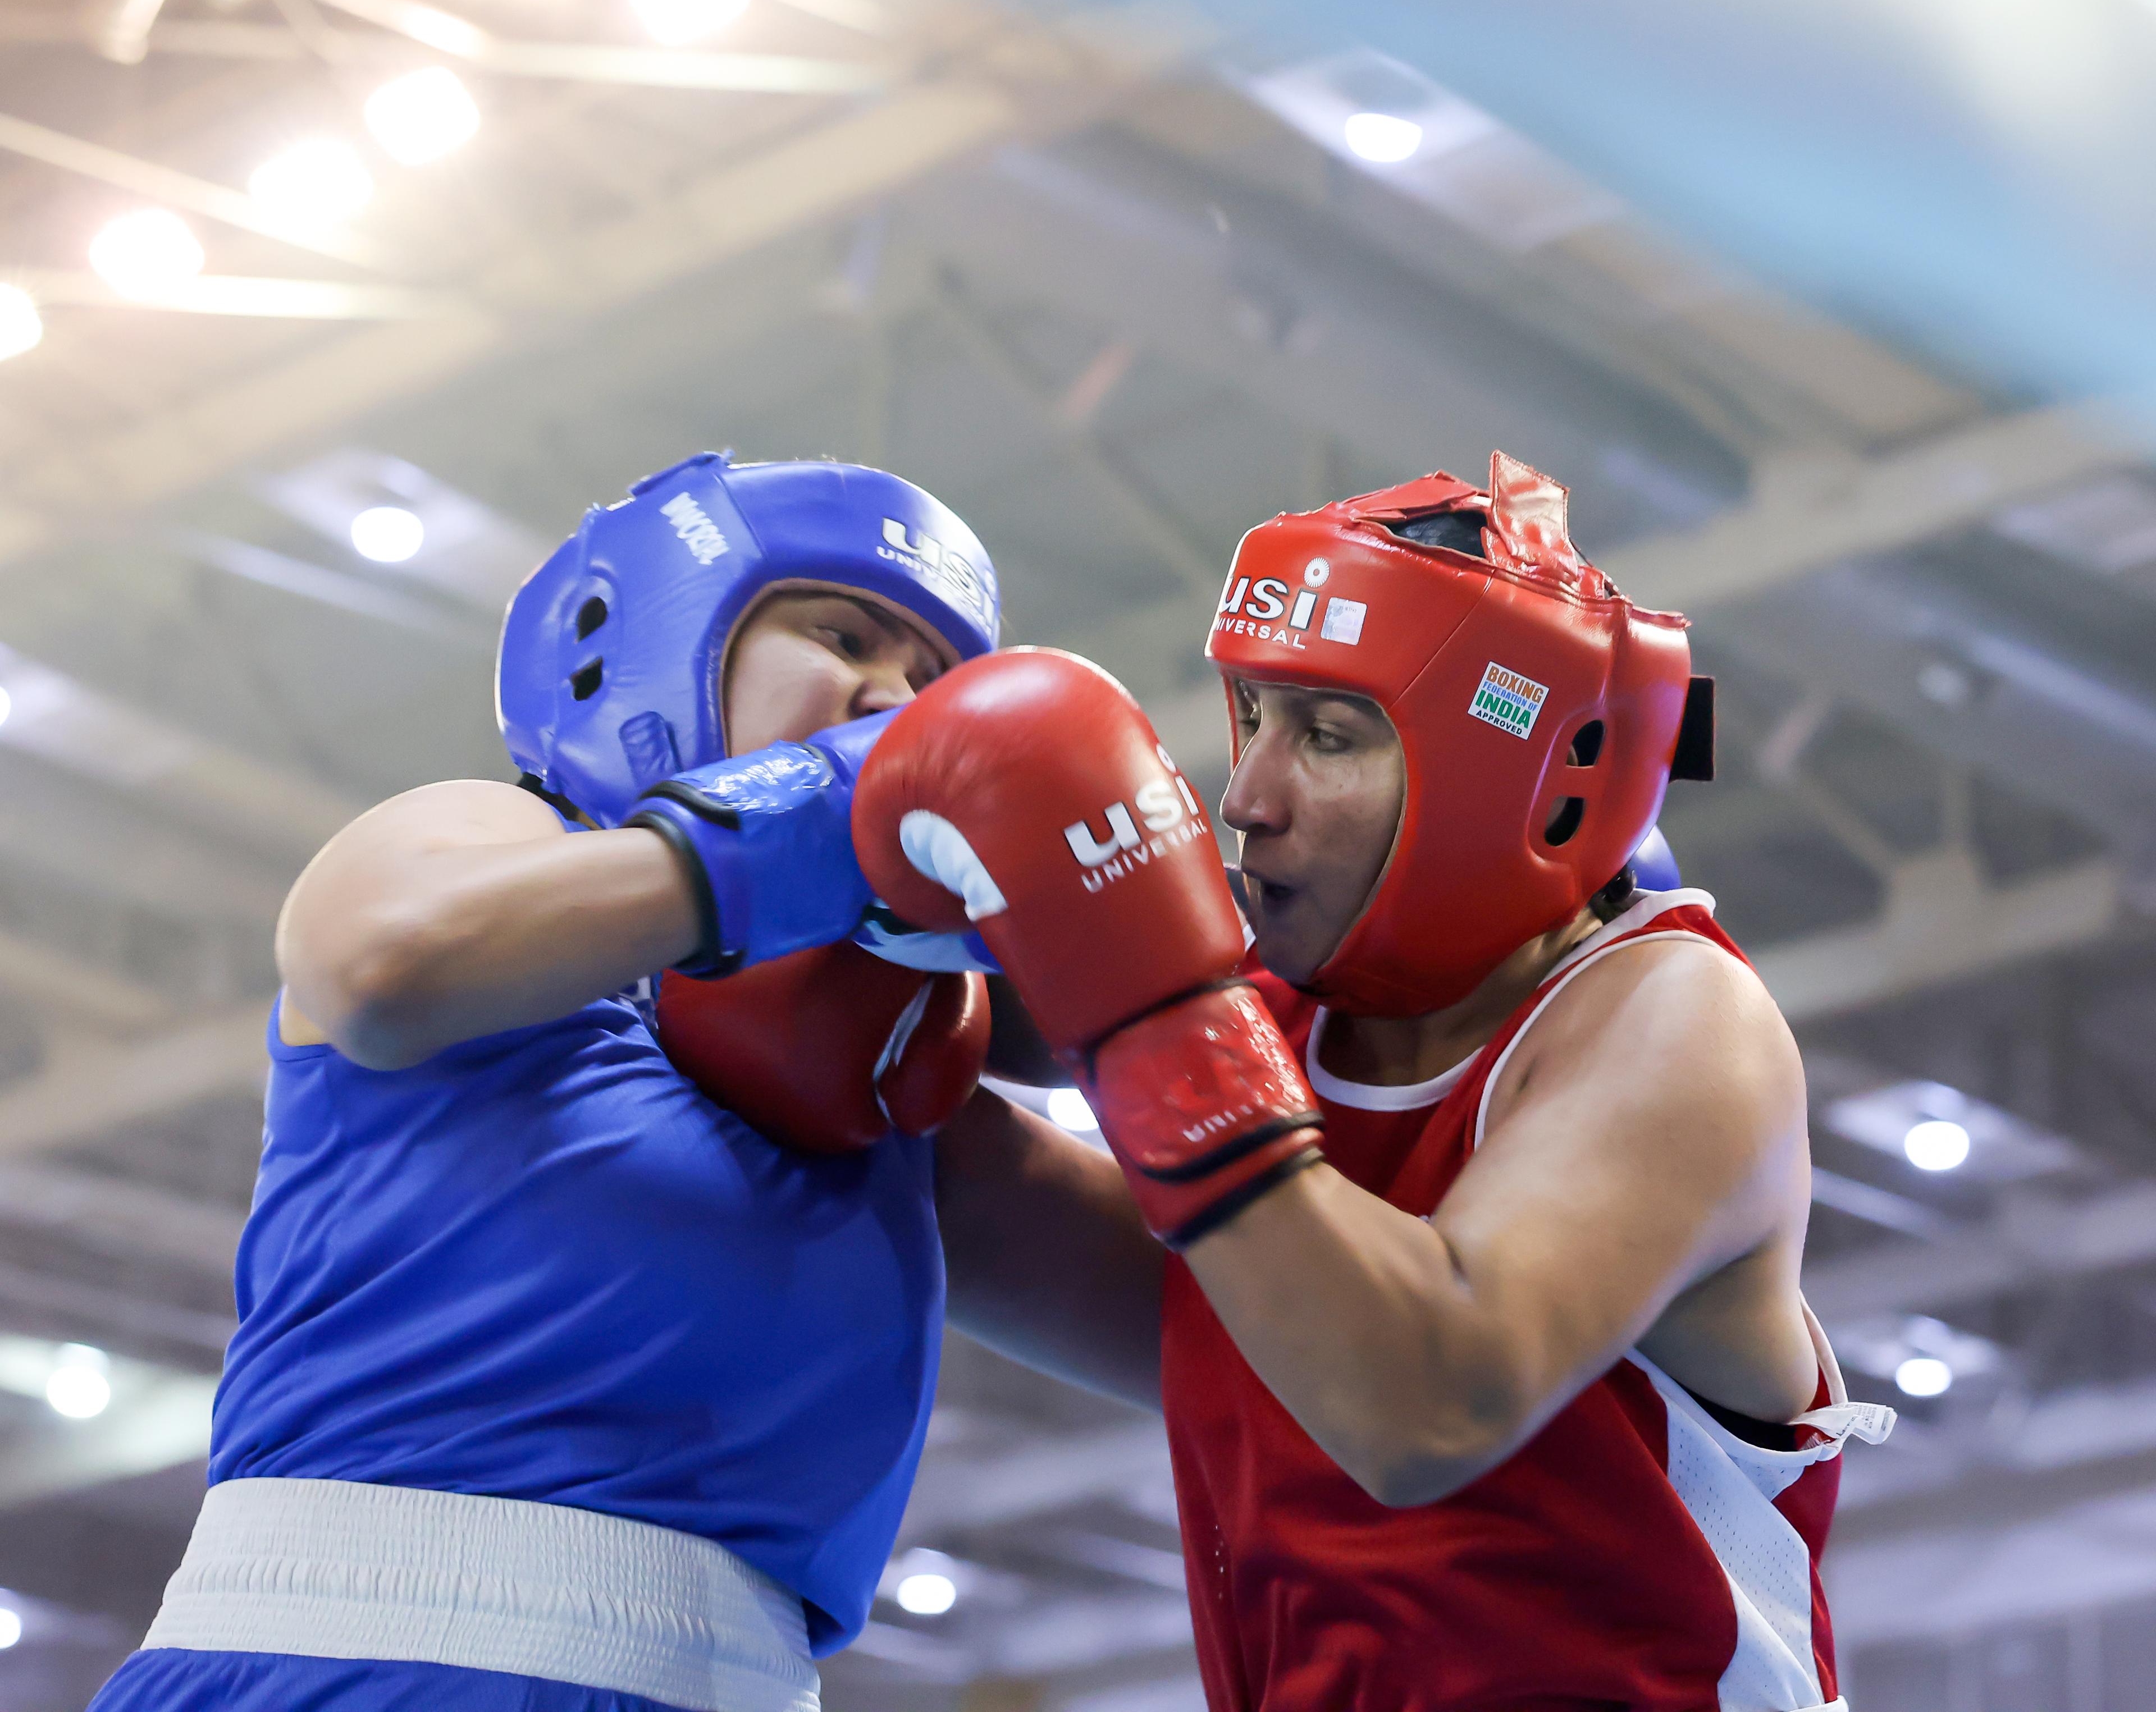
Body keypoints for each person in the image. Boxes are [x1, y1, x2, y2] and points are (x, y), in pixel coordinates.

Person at [858, 453, 1892, 1712]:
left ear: (1516, 777)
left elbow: (1430, 1400)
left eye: (1329, 735)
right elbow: (975, 1194)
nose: (1247, 796)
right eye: (1254, 715)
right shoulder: (1276, 1039)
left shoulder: (1673, 1013)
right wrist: (786, 951)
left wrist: (1155, 1014)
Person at [93, 450, 1001, 1712]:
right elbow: (383, 962)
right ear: (660, 644)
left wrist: (1160, 995)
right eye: (843, 635)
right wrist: (807, 811)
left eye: (937, 686)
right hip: (346, 1668)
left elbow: (1212, 1324)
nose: (894, 701)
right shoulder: (486, 834)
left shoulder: (897, 1071)